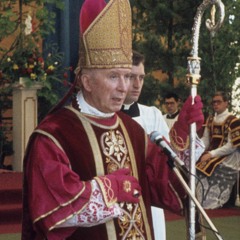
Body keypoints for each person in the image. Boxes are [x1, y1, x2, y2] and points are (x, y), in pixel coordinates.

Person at [21, 0, 204, 239]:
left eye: (126, 76)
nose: (123, 87)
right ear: (87, 81)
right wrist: (107, 189)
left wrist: (182, 134)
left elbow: (164, 183)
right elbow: (51, 206)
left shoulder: (134, 131)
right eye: (113, 76)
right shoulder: (54, 135)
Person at [121, 50, 169, 240]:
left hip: (149, 200)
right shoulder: (103, 116)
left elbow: (169, 159)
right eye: (131, 77)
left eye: (141, 77)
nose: (137, 84)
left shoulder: (153, 115)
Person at [196, 91, 240, 209]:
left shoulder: (233, 120)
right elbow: (205, 140)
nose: (215, 104)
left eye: (219, 102)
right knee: (196, 164)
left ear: (226, 103)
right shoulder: (210, 120)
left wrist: (211, 154)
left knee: (207, 167)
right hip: (213, 153)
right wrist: (197, 151)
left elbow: (232, 146)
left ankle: (210, 202)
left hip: (229, 156)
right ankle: (198, 199)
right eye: (214, 102)